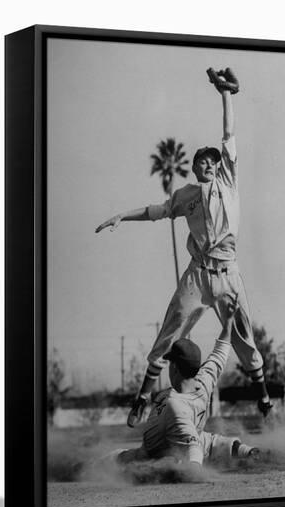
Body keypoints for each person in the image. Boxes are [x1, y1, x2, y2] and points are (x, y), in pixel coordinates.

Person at [96, 67, 272, 427]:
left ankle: (265, 400)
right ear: (193, 168)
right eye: (201, 160)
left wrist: (225, 94)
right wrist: (121, 216)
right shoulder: (186, 195)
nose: (208, 163)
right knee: (171, 329)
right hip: (199, 273)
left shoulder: (228, 181)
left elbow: (228, 133)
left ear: (219, 167)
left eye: (212, 160)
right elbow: (156, 211)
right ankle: (142, 398)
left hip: (228, 273)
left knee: (243, 337)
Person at [109, 299, 260, 471]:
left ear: (175, 367)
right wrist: (228, 321)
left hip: (156, 455)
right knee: (213, 442)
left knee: (161, 458)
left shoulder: (175, 404)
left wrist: (194, 470)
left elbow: (192, 447)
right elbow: (220, 351)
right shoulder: (204, 380)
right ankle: (248, 452)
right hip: (187, 439)